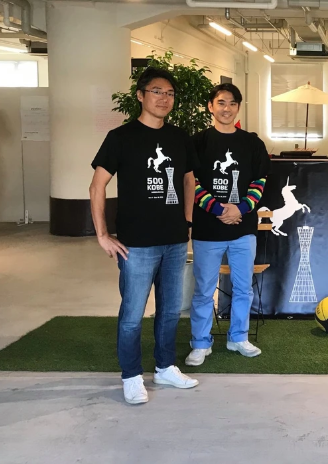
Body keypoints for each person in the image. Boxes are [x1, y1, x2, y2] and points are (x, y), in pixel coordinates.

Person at [90, 67, 199, 405]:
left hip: (175, 241)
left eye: (169, 93)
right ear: (140, 95)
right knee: (132, 315)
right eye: (156, 91)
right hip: (135, 245)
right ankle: (132, 376)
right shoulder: (120, 138)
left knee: (170, 311)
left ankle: (165, 367)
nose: (164, 98)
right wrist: (102, 234)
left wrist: (187, 221)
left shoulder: (180, 137)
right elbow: (97, 186)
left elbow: (189, 180)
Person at [185, 83, 271, 366]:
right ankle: (200, 343)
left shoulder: (253, 144)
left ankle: (238, 337)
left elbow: (259, 183)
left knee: (244, 288)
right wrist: (220, 209)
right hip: (208, 231)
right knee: (203, 290)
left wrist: (241, 209)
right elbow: (192, 183)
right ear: (210, 106)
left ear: (238, 107)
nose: (227, 108)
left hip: (243, 230)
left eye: (233, 103)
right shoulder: (197, 142)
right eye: (221, 102)